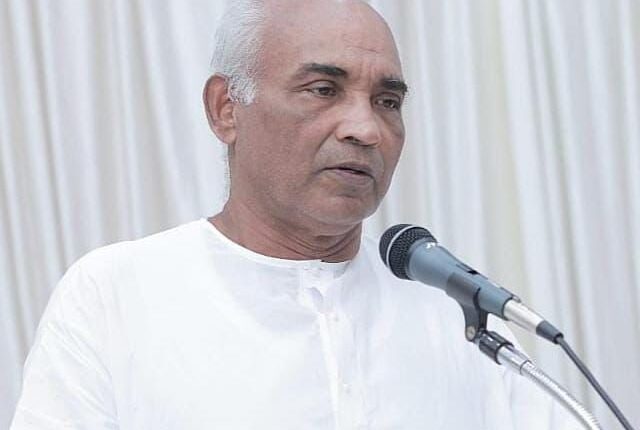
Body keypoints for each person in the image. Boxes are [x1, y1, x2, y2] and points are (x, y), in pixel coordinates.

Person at [11, 0, 579, 428]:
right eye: (323, 89)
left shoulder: (452, 310)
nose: (365, 129)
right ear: (226, 109)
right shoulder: (116, 294)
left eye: (388, 102)